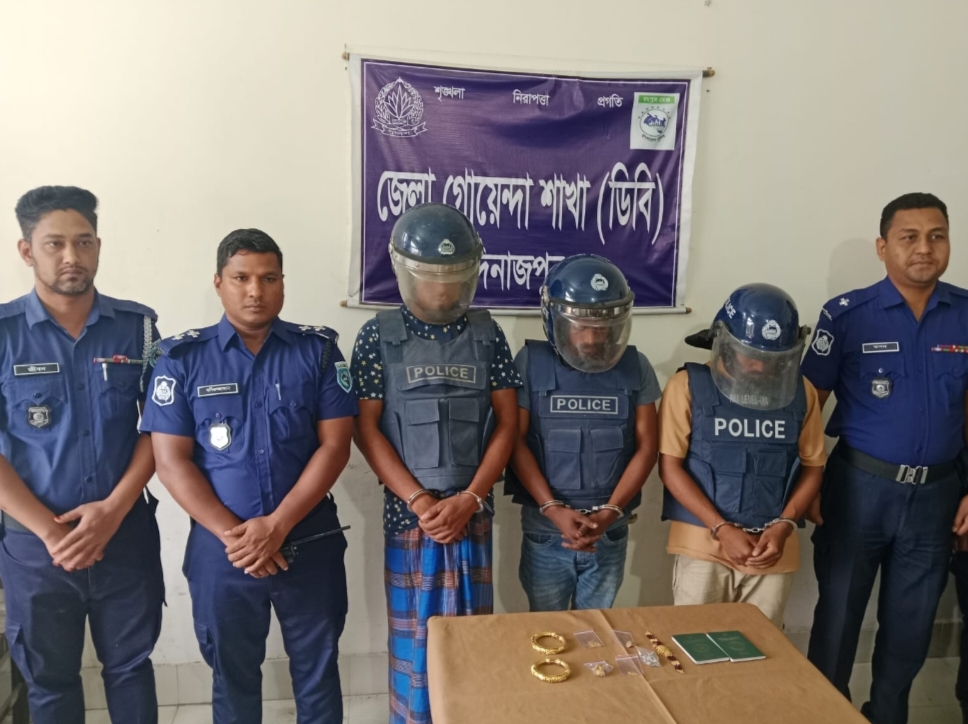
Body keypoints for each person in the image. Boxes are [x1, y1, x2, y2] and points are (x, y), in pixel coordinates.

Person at [141, 229, 357, 724]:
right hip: (223, 551)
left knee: (318, 669)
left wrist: (277, 526)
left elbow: (335, 446)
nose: (255, 290)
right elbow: (171, 462)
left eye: (268, 278)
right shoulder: (181, 360)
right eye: (241, 278)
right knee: (232, 674)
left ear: (283, 282)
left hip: (308, 539)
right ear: (219, 283)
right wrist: (238, 538)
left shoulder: (319, 352)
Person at [0, 186, 164, 724]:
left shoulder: (139, 329)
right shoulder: (3, 334)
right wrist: (51, 533)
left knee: (131, 670)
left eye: (84, 241)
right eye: (55, 244)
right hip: (35, 548)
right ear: (27, 250)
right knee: (49, 683)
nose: (72, 256)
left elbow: (161, 429)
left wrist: (113, 511)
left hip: (124, 538)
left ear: (98, 245)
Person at [351, 203, 520, 724]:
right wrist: (420, 500)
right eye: (431, 277)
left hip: (473, 514)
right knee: (416, 645)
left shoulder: (488, 335)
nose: (443, 290)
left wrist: (470, 498)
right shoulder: (377, 337)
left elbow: (508, 424)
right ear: (404, 273)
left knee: (471, 638)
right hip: (411, 518)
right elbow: (366, 429)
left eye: (454, 277)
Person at [803, 192, 968, 724]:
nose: (925, 248)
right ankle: (828, 716)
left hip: (936, 497)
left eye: (937, 236)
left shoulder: (966, 313)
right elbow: (807, 408)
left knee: (910, 631)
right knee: (837, 623)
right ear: (882, 247)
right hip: (859, 490)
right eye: (909, 237)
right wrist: (804, 489)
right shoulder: (847, 316)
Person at [658, 283, 825, 628]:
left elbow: (813, 467)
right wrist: (721, 528)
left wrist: (783, 526)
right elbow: (670, 468)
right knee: (694, 643)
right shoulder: (686, 386)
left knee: (763, 648)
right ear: (723, 340)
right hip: (702, 546)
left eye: (772, 359)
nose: (760, 367)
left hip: (773, 550)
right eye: (750, 354)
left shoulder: (802, 391)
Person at [505, 254, 659, 610]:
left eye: (602, 327)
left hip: (610, 530)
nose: (591, 339)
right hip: (546, 531)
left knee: (598, 631)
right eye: (580, 326)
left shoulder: (636, 366)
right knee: (545, 629)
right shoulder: (530, 363)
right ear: (553, 319)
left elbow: (647, 447)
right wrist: (554, 510)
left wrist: (609, 514)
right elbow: (515, 442)